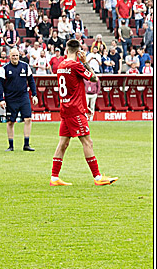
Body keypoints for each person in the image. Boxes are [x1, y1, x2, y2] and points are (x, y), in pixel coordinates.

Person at [50, 39, 118, 187]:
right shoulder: (76, 65)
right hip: (75, 110)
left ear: (66, 50)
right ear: (79, 51)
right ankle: (98, 177)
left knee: (63, 143)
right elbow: (94, 78)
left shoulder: (61, 65)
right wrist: (85, 62)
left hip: (66, 109)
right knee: (87, 142)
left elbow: (71, 86)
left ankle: (54, 177)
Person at [0, 47, 38, 152]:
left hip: (23, 97)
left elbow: (31, 81)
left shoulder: (25, 66)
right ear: (9, 56)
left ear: (19, 56)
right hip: (10, 99)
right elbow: (0, 85)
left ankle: (26, 144)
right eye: (13, 56)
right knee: (10, 122)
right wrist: (1, 99)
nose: (15, 57)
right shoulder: (4, 68)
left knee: (28, 119)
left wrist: (34, 95)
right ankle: (10, 146)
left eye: (16, 55)